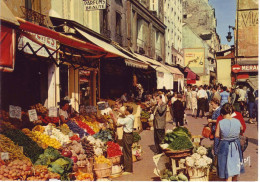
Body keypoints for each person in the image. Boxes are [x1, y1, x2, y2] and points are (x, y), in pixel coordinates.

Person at [215, 103, 245, 181]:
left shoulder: (221, 122)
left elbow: (217, 135)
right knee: (235, 164)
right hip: (236, 145)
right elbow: (242, 129)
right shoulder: (237, 121)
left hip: (225, 146)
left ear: (222, 113)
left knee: (227, 167)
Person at [109, 106, 134, 175]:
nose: (124, 111)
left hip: (127, 135)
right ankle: (127, 167)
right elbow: (125, 113)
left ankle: (128, 170)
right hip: (130, 135)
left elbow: (117, 123)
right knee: (127, 151)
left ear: (128, 111)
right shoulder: (132, 116)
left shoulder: (127, 119)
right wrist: (118, 110)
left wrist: (112, 115)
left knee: (127, 152)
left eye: (125, 110)